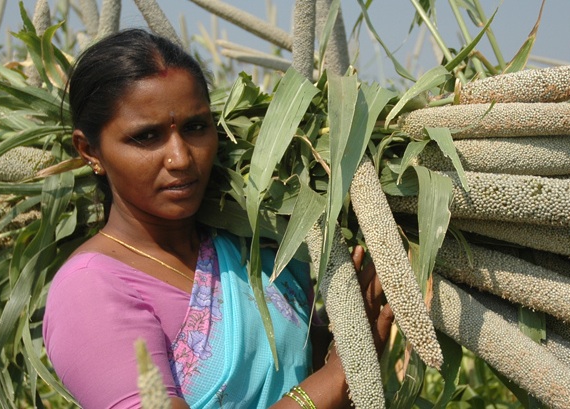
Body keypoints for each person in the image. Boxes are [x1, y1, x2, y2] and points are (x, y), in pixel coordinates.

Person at [42, 28, 393, 408]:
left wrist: (352, 335)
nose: (180, 158)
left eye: (195, 128)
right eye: (146, 137)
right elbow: (326, 383)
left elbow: (297, 366)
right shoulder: (90, 290)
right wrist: (342, 375)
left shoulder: (255, 247)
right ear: (89, 150)